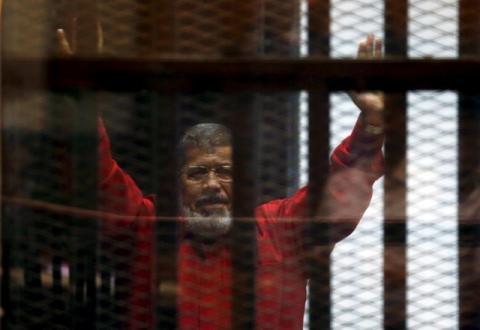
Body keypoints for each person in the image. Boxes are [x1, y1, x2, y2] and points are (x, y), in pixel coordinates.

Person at [58, 27, 385, 329]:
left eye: (226, 173)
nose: (212, 184)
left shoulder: (281, 230)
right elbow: (98, 180)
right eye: (197, 172)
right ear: (177, 184)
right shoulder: (148, 226)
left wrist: (371, 122)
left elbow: (338, 194)